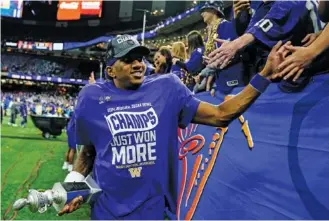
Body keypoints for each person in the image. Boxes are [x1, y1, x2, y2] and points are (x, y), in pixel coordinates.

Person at [58, 34, 288, 220]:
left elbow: (221, 115)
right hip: (105, 212)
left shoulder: (167, 88)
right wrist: (74, 185)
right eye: (128, 60)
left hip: (153, 213)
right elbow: (88, 152)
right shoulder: (91, 97)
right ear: (110, 70)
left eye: (140, 58)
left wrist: (264, 75)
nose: (138, 64)